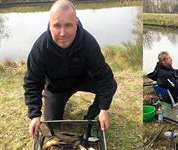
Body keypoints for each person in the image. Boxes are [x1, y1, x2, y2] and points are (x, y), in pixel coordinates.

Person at [23, 0, 117, 137]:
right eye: (57, 26)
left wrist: (104, 109)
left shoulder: (88, 42)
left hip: (82, 79)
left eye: (68, 25)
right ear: (50, 25)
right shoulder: (40, 47)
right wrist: (34, 115)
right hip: (56, 88)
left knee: (112, 84)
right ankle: (59, 106)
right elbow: (32, 82)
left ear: (76, 23)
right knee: (52, 125)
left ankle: (90, 118)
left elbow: (105, 77)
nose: (62, 33)